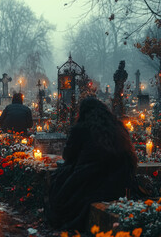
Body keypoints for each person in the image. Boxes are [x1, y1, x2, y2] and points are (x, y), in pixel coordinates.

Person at [47, 97, 137, 231]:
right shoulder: (118, 127)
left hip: (90, 180)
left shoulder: (82, 128)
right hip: (120, 181)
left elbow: (68, 156)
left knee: (59, 177)